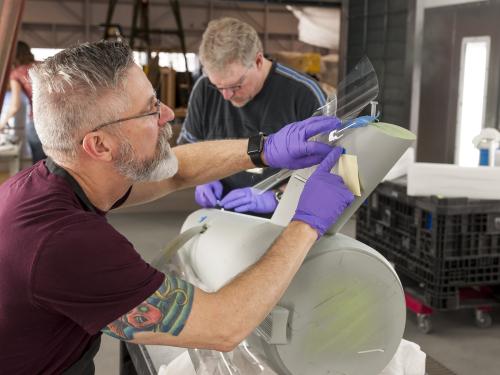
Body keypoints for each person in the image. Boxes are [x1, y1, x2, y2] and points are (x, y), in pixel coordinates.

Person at [0, 40, 353, 374]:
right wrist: (305, 223)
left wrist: (264, 149)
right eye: (150, 109)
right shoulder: (65, 244)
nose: (167, 114)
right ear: (100, 145)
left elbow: (173, 173)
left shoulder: (51, 181)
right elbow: (223, 326)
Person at [178, 17, 327, 216]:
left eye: (235, 85)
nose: (226, 95)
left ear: (258, 61)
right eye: (218, 86)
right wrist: (203, 178)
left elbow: (328, 169)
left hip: (286, 219)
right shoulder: (204, 90)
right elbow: (187, 152)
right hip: (223, 215)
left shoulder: (304, 95)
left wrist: (277, 198)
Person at [0, 40, 46, 163]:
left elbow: (15, 105)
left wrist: (2, 124)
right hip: (60, 118)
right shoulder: (44, 65)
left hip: (38, 120)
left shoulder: (15, 74)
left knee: (39, 162)